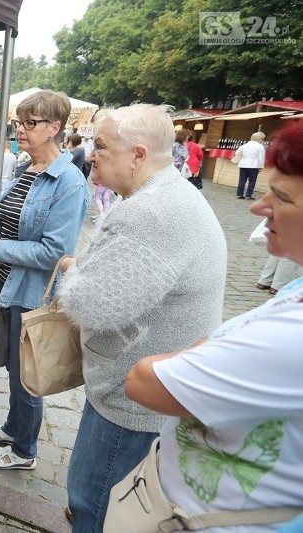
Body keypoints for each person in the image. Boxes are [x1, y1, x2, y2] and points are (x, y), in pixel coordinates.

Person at [54, 104, 227, 532]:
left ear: (137, 154)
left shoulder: (151, 212)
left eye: (101, 145)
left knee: (96, 507)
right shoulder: (166, 196)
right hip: (148, 398)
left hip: (131, 408)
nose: (91, 154)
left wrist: (74, 271)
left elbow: (87, 304)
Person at [123, 122, 303, 532]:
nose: (258, 207)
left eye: (283, 197)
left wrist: (204, 352)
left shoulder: (294, 337)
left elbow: (143, 381)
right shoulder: (295, 288)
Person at [0, 90, 89, 472]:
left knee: (27, 375)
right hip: (7, 285)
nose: (20, 129)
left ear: (55, 128)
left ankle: (24, 450)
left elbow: (54, 252)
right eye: (19, 122)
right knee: (13, 368)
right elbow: (14, 221)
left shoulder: (68, 182)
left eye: (30, 123)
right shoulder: (26, 169)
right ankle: (11, 427)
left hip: (32, 292)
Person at [236, 131, 267, 200]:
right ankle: (248, 195)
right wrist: (261, 166)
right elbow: (261, 158)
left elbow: (237, 153)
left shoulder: (244, 145)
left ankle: (239, 194)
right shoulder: (260, 146)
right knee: (252, 181)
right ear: (259, 139)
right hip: (253, 165)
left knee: (242, 180)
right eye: (262, 139)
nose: (262, 141)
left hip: (243, 164)